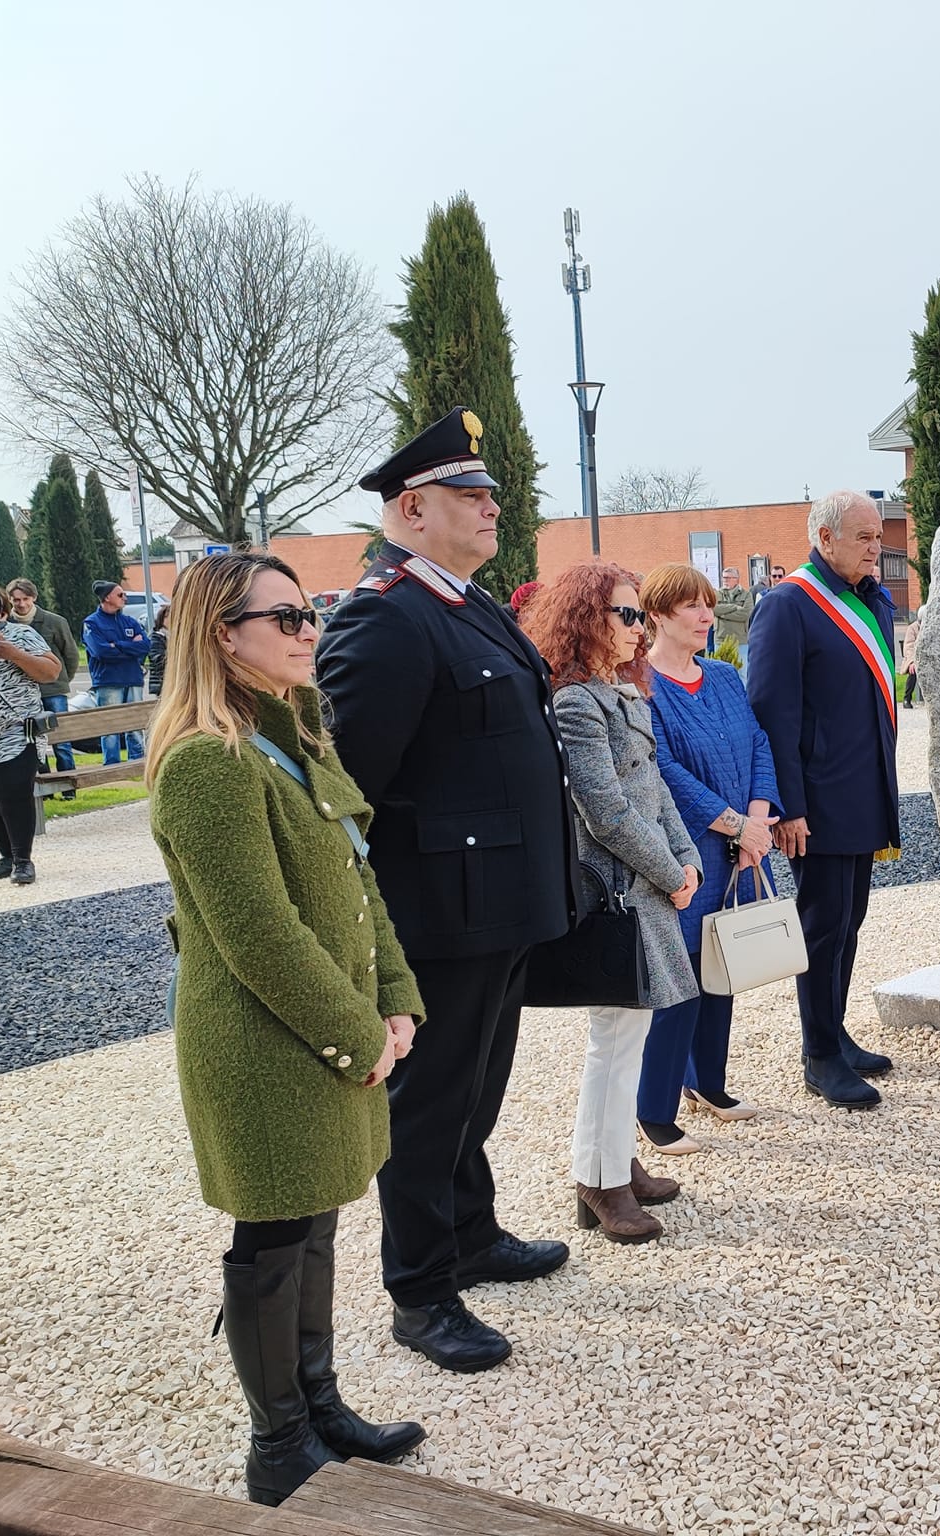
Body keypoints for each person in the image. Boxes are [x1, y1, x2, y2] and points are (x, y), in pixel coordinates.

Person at [145, 553, 425, 1506]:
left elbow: (357, 877)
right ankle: (278, 1445)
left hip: (325, 1028)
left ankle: (320, 1407)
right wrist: (360, 1034)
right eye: (289, 618)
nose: (312, 631)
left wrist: (395, 997)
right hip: (265, 1045)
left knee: (316, 1216)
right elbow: (260, 937)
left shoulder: (296, 734)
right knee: (273, 1232)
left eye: (312, 614)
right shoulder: (207, 764)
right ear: (223, 636)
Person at [314, 407, 579, 1374]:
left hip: (499, 902)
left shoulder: (469, 603)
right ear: (413, 508)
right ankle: (421, 1291)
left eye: (490, 493)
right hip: (440, 909)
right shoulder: (387, 614)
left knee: (478, 1086)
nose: (490, 507)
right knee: (429, 1104)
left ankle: (470, 1232)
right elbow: (348, 789)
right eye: (469, 493)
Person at [522, 562, 701, 1242]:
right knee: (615, 1041)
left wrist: (685, 859)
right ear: (585, 619)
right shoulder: (576, 702)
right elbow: (607, 812)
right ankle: (599, 1183)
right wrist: (670, 871)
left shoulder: (621, 691)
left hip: (649, 883)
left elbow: (654, 793)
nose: (637, 626)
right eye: (625, 615)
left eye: (638, 615)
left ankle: (614, 1160)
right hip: (621, 892)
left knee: (629, 1039)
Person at [747, 489, 900, 1109]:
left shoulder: (871, 599)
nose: (876, 547)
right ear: (825, 537)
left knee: (849, 922)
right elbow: (772, 716)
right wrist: (788, 807)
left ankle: (835, 1032)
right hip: (818, 801)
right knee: (821, 926)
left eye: (878, 536)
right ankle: (819, 1055)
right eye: (864, 536)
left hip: (865, 791)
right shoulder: (788, 606)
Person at [639, 563, 781, 1152]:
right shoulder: (642, 685)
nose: (706, 616)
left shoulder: (723, 675)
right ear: (657, 616)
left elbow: (758, 743)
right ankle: (654, 1107)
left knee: (723, 970)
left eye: (708, 604)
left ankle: (708, 1083)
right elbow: (664, 771)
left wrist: (757, 821)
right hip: (686, 853)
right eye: (692, 607)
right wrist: (738, 826)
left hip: (744, 847)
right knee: (679, 983)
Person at [0, 581, 61, 886]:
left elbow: (51, 672)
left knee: (11, 793)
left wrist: (13, 654)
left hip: (16, 734)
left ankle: (23, 861)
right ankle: (6, 857)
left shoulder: (20, 635)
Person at [4, 579, 78, 782]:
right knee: (33, 740)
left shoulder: (55, 622)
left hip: (53, 690)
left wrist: (61, 680)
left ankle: (67, 783)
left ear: (34, 598)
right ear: (10, 600)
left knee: (62, 739)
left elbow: (70, 655)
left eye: (25, 599)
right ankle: (43, 782)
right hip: (23, 692)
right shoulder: (6, 625)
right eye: (16, 600)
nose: (21, 604)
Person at [83, 579, 152, 763]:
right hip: (109, 681)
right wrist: (129, 647)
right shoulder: (92, 623)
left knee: (135, 724)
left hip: (133, 679)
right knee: (110, 726)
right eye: (120, 595)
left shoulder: (129, 621)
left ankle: (137, 762)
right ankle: (111, 764)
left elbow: (145, 646)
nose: (125, 598)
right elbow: (100, 651)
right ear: (107, 598)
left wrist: (117, 645)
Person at [713, 566, 752, 661]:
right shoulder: (716, 594)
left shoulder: (746, 594)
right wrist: (734, 607)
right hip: (720, 639)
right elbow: (714, 609)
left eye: (728, 578)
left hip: (740, 640)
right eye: (724, 577)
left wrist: (722, 614)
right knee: (720, 669)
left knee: (741, 669)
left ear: (736, 579)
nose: (725, 580)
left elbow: (746, 614)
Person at [900, 606, 923, 707]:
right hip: (914, 658)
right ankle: (907, 698)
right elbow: (909, 646)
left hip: (927, 659)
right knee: (913, 671)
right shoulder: (912, 628)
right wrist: (913, 661)